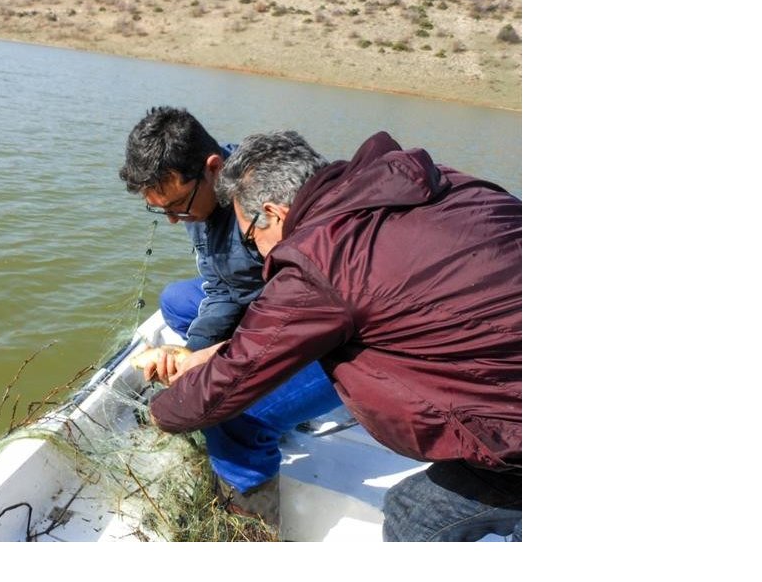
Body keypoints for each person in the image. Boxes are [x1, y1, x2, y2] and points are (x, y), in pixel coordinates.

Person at [148, 129, 522, 541]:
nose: (260, 255)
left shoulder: (320, 259)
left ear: (273, 213)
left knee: (410, 517)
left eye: (253, 238)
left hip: (516, 431)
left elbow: (231, 380)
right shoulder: (438, 181)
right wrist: (208, 354)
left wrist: (158, 411)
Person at [118, 107, 343, 526]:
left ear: (213, 169)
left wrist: (216, 374)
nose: (172, 221)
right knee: (176, 302)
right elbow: (223, 289)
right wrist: (194, 353)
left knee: (232, 414)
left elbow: (295, 321)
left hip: (331, 333)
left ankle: (249, 531)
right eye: (161, 211)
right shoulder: (200, 204)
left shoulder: (272, 203)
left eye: (177, 207)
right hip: (277, 311)